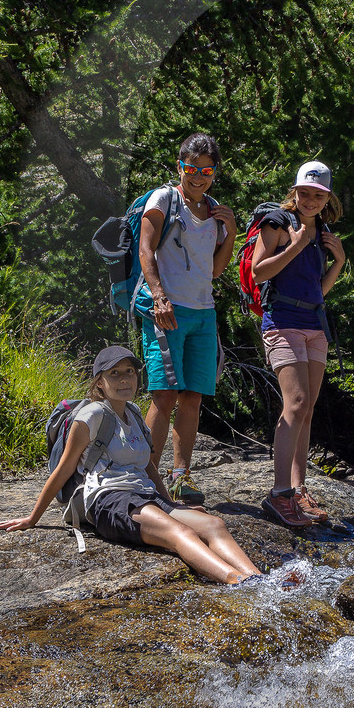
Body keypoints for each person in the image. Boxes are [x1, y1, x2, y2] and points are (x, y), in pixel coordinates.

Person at [0, 345, 259, 586]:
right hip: (109, 499)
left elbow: (148, 466)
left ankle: (259, 579)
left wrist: (170, 504)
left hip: (144, 495)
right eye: (115, 373)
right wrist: (32, 519)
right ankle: (238, 581)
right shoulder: (90, 416)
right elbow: (64, 469)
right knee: (180, 532)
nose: (124, 379)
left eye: (129, 372)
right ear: (100, 382)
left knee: (214, 525)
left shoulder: (133, 412)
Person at [134, 133, 236, 508]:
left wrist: (231, 232)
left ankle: (180, 477)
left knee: (193, 396)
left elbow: (216, 270)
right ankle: (143, 477)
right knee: (164, 395)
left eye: (206, 171)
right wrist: (159, 296)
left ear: (214, 173)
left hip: (203, 312)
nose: (198, 177)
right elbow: (146, 249)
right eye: (191, 168)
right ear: (180, 166)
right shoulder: (164, 199)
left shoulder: (215, 211)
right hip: (167, 309)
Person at [249, 160, 347, 527]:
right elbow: (259, 272)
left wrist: (338, 262)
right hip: (282, 322)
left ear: (327, 198)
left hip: (313, 325)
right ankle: (279, 494)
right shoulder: (278, 222)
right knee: (297, 402)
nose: (310, 200)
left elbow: (317, 291)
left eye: (318, 195)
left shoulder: (323, 231)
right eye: (304, 192)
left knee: (306, 408)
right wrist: (297, 244)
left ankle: (298, 489)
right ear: (295, 191)